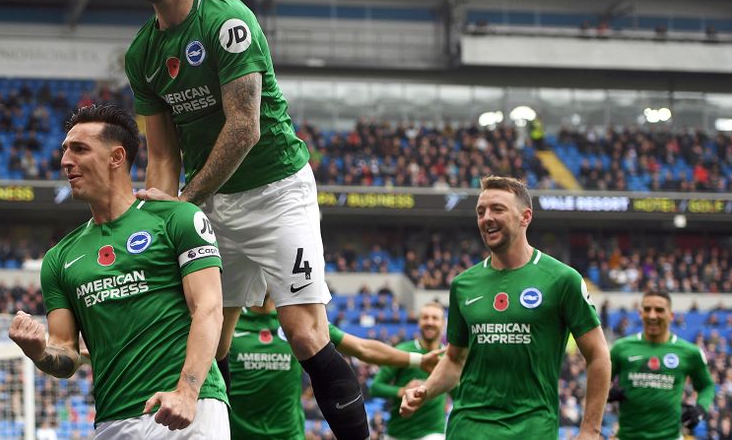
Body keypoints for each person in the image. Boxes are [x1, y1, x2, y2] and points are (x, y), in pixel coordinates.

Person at [125, 0, 368, 438]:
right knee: (211, 337)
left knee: (302, 332)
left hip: (278, 190)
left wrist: (186, 201)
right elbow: (163, 156)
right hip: (210, 202)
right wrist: (162, 220)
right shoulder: (142, 53)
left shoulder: (226, 19)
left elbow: (244, 128)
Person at [8, 104, 228, 438]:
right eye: (65, 150)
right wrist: (39, 353)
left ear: (116, 157)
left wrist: (187, 391)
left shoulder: (176, 219)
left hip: (187, 409)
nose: (66, 161)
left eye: (79, 149)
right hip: (113, 421)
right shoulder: (59, 258)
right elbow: (66, 353)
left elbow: (209, 308)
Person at [400, 175, 610, 438]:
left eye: (497, 209)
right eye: (480, 211)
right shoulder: (463, 284)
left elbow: (598, 355)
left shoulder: (562, 279)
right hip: (468, 427)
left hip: (531, 428)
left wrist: (590, 429)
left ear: (525, 217)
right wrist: (426, 390)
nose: (486, 217)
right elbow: (454, 359)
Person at [228, 294, 444, 440]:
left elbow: (362, 348)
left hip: (287, 435)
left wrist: (419, 360)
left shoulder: (298, 320)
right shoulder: (228, 318)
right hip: (235, 434)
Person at [608, 290, 715, 439]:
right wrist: (606, 393)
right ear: (640, 313)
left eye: (659, 310)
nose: (652, 315)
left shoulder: (689, 352)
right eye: (647, 309)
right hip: (627, 436)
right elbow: (597, 383)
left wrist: (701, 408)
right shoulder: (621, 348)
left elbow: (707, 386)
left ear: (671, 315)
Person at [372, 302, 447, 440]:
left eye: (435, 318)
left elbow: (458, 392)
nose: (429, 322)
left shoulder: (448, 357)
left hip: (433, 432)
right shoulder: (403, 351)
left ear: (443, 323)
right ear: (419, 322)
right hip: (398, 433)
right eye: (425, 317)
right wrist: (401, 391)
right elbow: (375, 388)